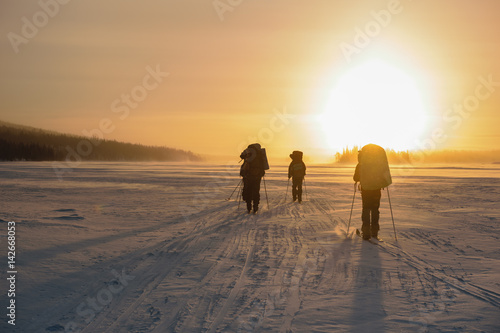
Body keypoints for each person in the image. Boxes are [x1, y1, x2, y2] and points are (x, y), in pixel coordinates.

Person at [353, 144, 392, 240]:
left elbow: (355, 178)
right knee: (375, 210)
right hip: (376, 189)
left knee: (366, 209)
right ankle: (374, 232)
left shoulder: (361, 164)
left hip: (366, 190)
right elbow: (384, 174)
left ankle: (366, 233)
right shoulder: (378, 164)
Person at [240, 143, 266, 214]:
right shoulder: (260, 155)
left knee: (248, 191)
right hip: (257, 176)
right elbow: (263, 166)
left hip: (248, 176)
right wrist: (261, 173)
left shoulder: (248, 154)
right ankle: (255, 207)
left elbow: (242, 158)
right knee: (256, 191)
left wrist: (243, 174)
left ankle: (249, 207)